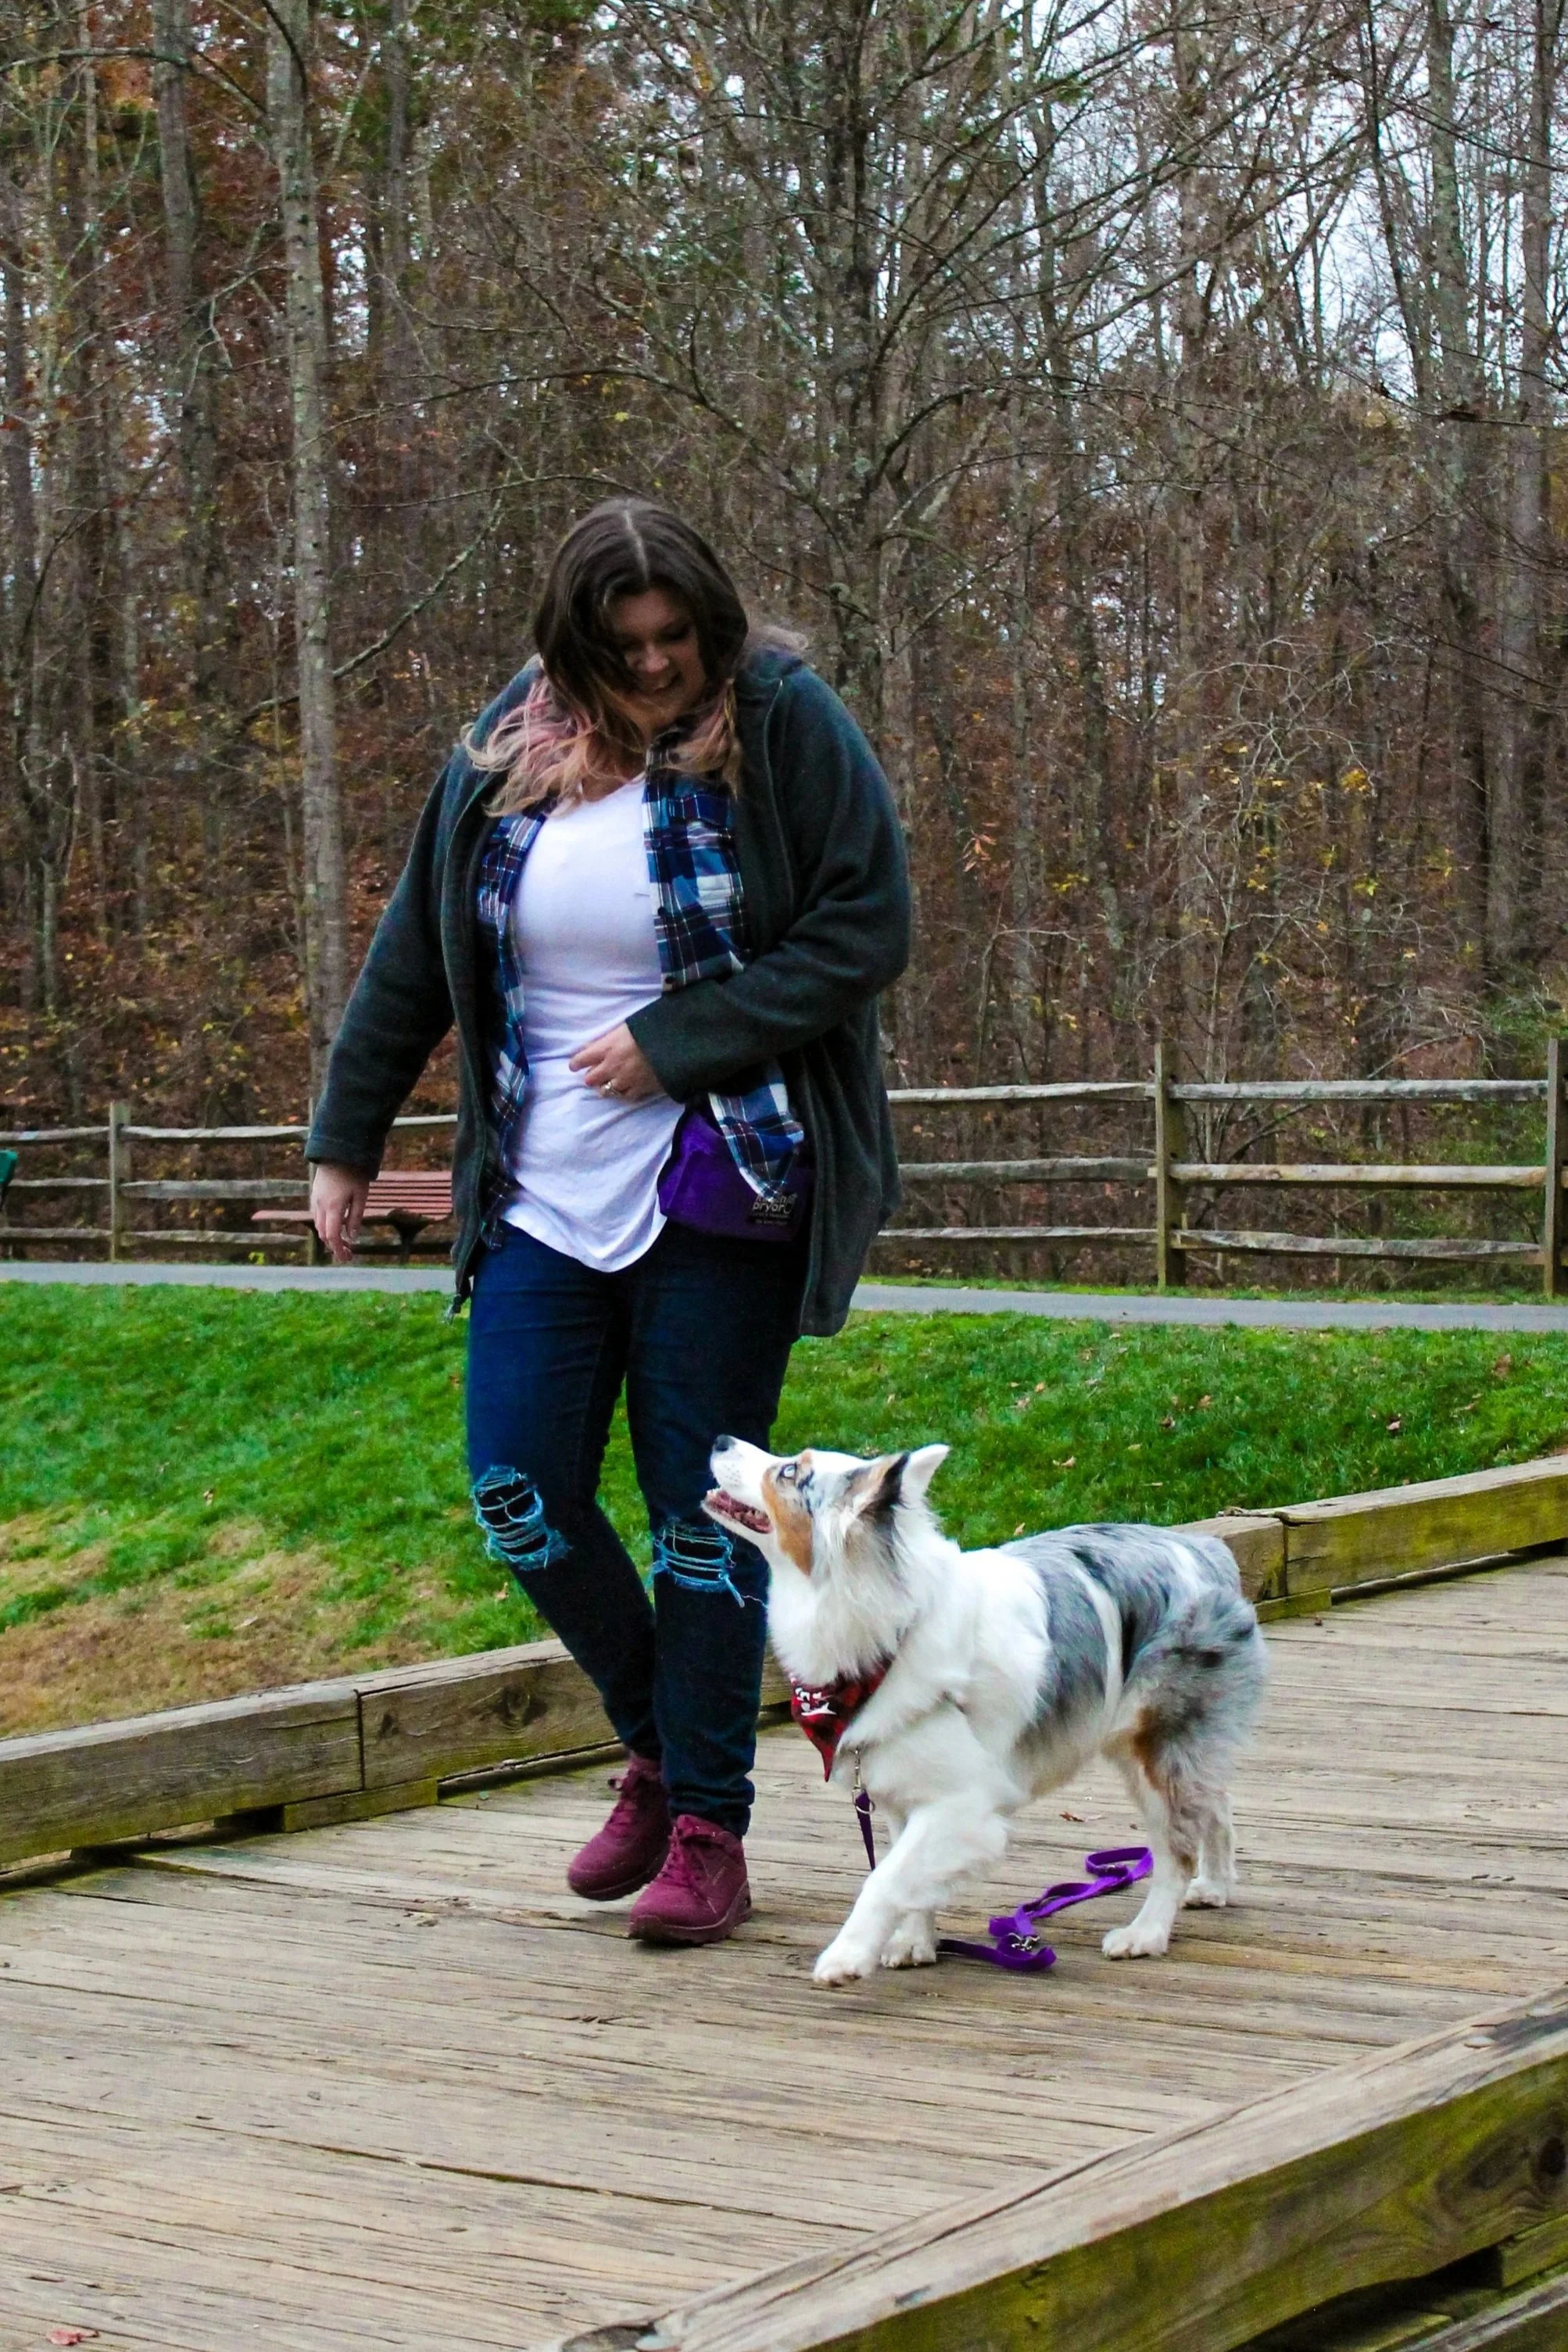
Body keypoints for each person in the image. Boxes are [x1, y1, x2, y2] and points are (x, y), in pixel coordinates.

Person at [306, 499, 910, 1946]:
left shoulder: (782, 721)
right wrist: (347, 1133)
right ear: (572, 647)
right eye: (624, 645)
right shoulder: (507, 745)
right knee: (516, 1490)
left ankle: (706, 1828)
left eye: (675, 638)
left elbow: (862, 927)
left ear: (713, 625)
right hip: (538, 1187)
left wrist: (676, 1041)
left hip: (726, 1178)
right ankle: (660, 1741)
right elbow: (417, 952)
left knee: (700, 1520)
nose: (653, 667)